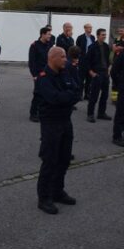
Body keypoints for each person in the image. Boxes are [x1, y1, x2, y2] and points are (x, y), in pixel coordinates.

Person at [35, 47, 80, 214]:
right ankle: (44, 197)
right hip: (51, 123)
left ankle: (57, 191)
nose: (65, 60)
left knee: (64, 159)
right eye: (62, 57)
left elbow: (76, 93)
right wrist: (66, 97)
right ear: (52, 58)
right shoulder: (44, 78)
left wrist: (66, 97)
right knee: (50, 160)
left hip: (65, 121)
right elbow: (54, 98)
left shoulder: (65, 73)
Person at [86, 28, 111, 123]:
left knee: (104, 95)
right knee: (94, 95)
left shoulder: (106, 46)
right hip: (97, 73)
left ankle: (101, 113)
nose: (104, 36)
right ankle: (90, 114)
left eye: (105, 34)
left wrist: (108, 69)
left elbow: (107, 59)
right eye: (102, 35)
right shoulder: (92, 47)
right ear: (98, 36)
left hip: (105, 74)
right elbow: (87, 61)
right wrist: (91, 72)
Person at [28, 27, 52, 122]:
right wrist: (34, 75)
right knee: (38, 94)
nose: (50, 36)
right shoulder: (34, 46)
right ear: (42, 34)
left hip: (48, 73)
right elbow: (32, 62)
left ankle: (43, 112)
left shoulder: (49, 45)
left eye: (50, 34)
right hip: (38, 74)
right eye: (48, 34)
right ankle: (33, 114)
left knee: (47, 94)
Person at [75, 23, 95, 100]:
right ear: (85, 28)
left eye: (91, 27)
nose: (90, 29)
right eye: (89, 28)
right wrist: (77, 59)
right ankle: (79, 95)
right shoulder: (80, 38)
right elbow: (77, 49)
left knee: (89, 79)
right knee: (80, 79)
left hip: (90, 61)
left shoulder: (93, 37)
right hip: (82, 60)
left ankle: (87, 94)